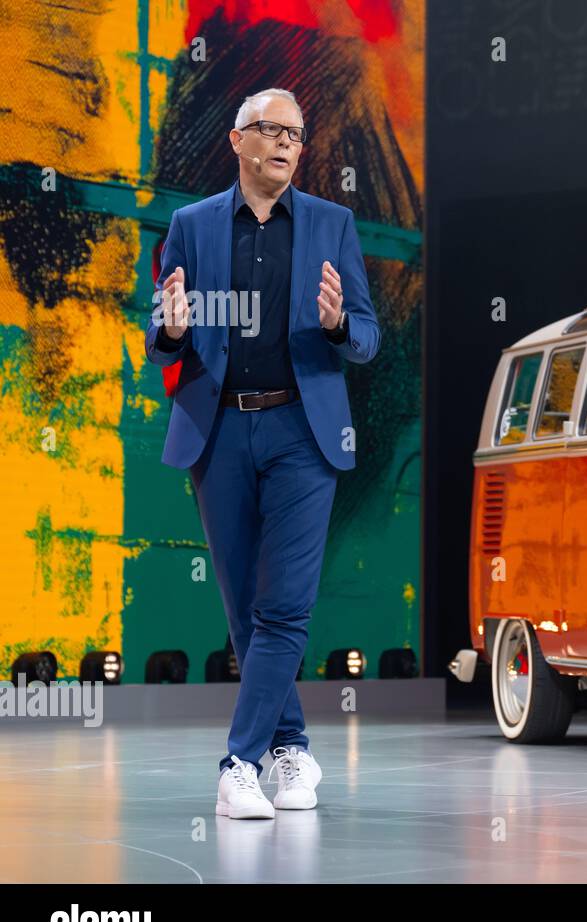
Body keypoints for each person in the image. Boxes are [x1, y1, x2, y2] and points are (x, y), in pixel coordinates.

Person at [145, 88, 381, 819]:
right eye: (272, 130)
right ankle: (291, 747)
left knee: (283, 606)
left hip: (302, 434)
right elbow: (160, 338)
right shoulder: (189, 226)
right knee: (245, 606)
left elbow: (369, 339)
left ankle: (239, 764)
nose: (286, 143)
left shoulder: (332, 225)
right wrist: (176, 330)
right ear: (238, 140)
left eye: (297, 134)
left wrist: (341, 322)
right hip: (218, 431)